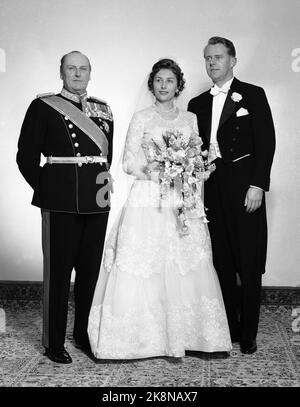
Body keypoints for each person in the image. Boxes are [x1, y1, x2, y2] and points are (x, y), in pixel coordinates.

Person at [87, 58, 232, 360]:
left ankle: (194, 337)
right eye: (158, 80)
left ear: (178, 85)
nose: (163, 86)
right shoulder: (141, 118)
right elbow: (127, 162)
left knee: (186, 262)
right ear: (151, 85)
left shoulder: (191, 118)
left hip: (182, 199)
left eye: (169, 80)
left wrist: (186, 169)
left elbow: (196, 153)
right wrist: (163, 170)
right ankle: (139, 341)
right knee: (145, 263)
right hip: (148, 200)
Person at [16, 51, 113, 363]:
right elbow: (25, 157)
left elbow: (104, 158)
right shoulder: (43, 106)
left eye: (83, 68)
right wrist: (49, 191)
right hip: (60, 202)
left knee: (90, 273)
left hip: (97, 201)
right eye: (71, 68)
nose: (77, 73)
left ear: (90, 72)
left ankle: (82, 335)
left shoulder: (103, 109)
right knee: (58, 273)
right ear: (61, 72)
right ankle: (53, 342)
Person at [188, 37, 276, 354]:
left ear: (232, 60)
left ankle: (249, 332)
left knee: (249, 262)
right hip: (210, 187)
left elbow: (266, 143)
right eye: (208, 58)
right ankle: (230, 328)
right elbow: (192, 150)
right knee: (221, 261)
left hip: (244, 186)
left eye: (218, 57)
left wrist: (258, 185)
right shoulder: (195, 104)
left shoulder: (252, 94)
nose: (212, 63)